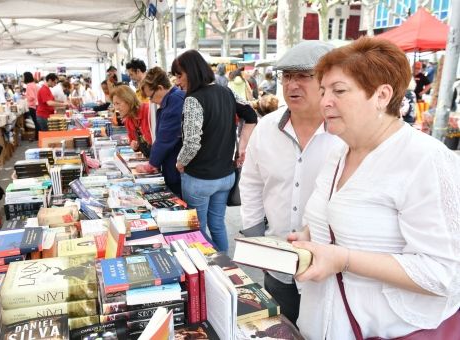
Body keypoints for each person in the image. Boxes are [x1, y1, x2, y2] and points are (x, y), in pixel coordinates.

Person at [289, 37, 460, 339]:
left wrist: (344, 260)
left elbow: (442, 275)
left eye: (339, 91)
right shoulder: (338, 153)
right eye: (324, 91)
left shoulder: (425, 159)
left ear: (382, 95)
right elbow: (332, 220)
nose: (325, 101)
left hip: (386, 329)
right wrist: (308, 235)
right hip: (319, 322)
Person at [239, 40, 340, 326]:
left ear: (326, 81)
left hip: (326, 265)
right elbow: (251, 180)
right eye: (287, 76)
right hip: (277, 256)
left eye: (303, 76)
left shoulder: (343, 132)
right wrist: (254, 230)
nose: (292, 85)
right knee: (281, 326)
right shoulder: (267, 128)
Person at [171, 50, 258, 252]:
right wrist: (241, 147)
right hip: (225, 176)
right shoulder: (226, 92)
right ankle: (224, 265)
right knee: (217, 224)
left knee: (198, 230)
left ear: (191, 72)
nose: (177, 81)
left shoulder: (194, 99)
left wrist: (180, 162)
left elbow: (192, 142)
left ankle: (210, 269)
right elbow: (251, 114)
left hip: (200, 178)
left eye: (179, 75)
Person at [136, 66, 185, 197]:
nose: (151, 101)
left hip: (177, 167)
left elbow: (165, 138)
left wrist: (151, 164)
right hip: (174, 164)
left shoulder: (174, 101)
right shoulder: (173, 99)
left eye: (151, 96)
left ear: (160, 88)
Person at [110, 85, 152, 156]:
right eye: (114, 104)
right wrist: (134, 146)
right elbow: (133, 142)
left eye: (118, 103)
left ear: (129, 100)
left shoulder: (148, 111)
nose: (116, 108)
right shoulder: (128, 120)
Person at [23, 71, 39, 140]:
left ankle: (37, 137)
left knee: (36, 122)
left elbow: (32, 97)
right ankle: (37, 136)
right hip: (36, 105)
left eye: (23, 76)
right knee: (37, 122)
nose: (23, 78)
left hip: (32, 106)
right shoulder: (34, 84)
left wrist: (27, 97)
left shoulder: (29, 86)